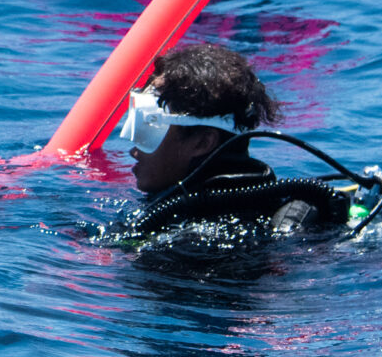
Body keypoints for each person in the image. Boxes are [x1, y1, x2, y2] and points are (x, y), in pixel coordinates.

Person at [117, 42, 360, 235]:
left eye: (148, 128)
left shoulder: (197, 237)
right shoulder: (267, 200)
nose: (133, 150)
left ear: (202, 143)